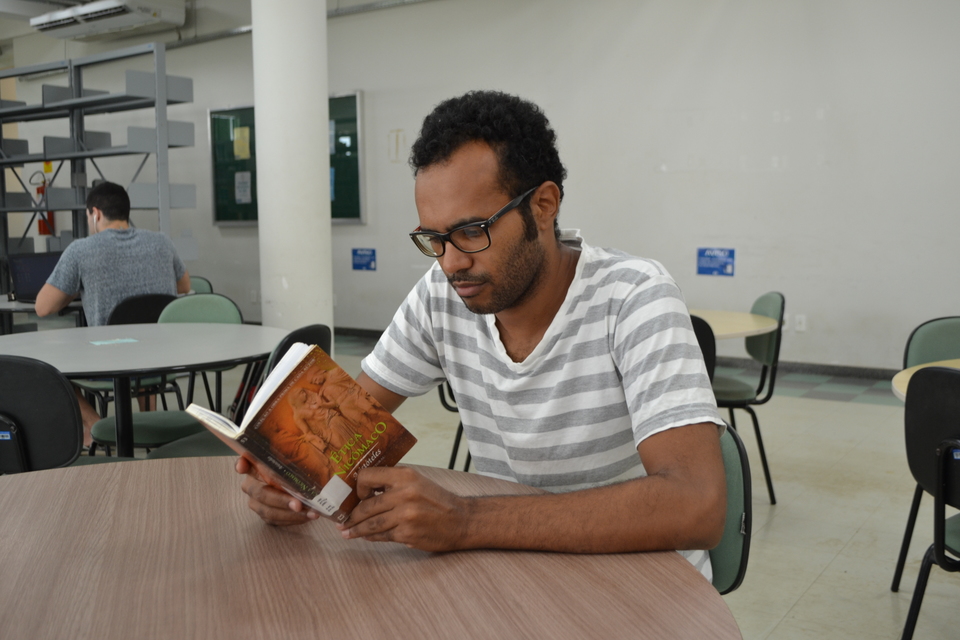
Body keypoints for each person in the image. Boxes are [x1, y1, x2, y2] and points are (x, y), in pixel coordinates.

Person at [238, 91, 727, 579]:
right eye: (435, 239)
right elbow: (343, 426)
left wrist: (467, 520)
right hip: (517, 575)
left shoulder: (634, 297)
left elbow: (696, 505)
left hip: (647, 586)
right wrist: (286, 474)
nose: (451, 262)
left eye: (472, 231)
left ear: (543, 205)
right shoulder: (442, 295)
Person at [35, 181, 191, 444]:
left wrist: (78, 286)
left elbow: (43, 307)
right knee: (144, 339)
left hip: (109, 364)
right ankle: (145, 423)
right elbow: (185, 286)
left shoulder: (82, 250)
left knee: (49, 364)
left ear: (95, 213)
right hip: (160, 362)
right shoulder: (162, 242)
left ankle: (98, 425)